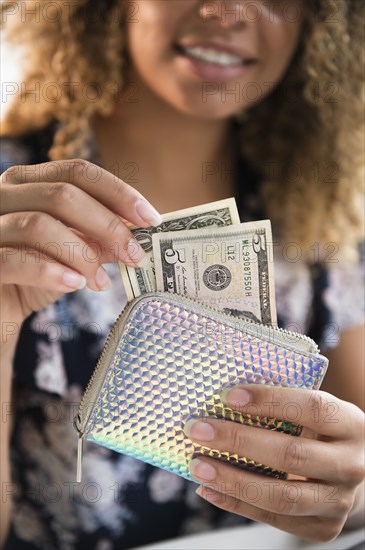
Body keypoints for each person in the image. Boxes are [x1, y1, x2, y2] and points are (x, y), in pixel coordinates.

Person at [1, 1, 364, 548]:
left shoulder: (324, 215)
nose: (230, 10)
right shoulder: (10, 209)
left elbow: (353, 467)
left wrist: (348, 492)